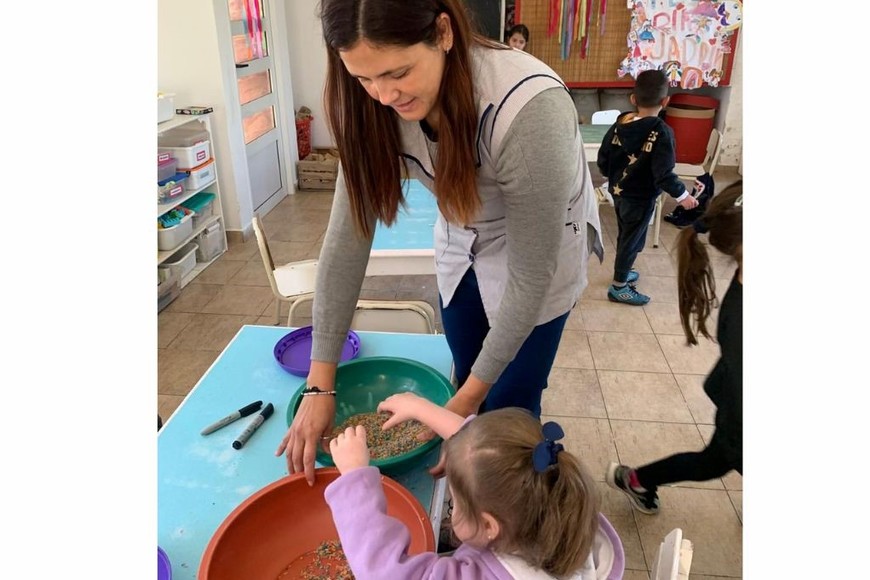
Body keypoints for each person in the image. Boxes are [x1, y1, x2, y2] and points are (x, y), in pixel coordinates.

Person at [277, 0, 604, 485]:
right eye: (364, 79)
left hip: (539, 249)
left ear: (444, 33)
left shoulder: (529, 108)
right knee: (467, 364)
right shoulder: (370, 103)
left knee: (510, 405)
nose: (383, 96)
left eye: (398, 73)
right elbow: (346, 243)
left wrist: (460, 412)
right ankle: (474, 484)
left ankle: (517, 500)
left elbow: (530, 276)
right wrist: (320, 386)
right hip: (463, 234)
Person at [324, 392, 622, 579]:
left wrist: (355, 477)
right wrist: (421, 407)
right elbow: (493, 453)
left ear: (489, 526)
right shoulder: (558, 497)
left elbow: (384, 571)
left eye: (454, 503)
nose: (452, 510)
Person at [606, 181, 743, 514]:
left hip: (735, 404)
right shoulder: (742, 325)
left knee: (712, 462)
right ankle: (636, 479)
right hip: (740, 416)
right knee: (711, 463)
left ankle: (637, 479)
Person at [596, 69, 699, 306]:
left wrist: (612, 177)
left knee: (627, 235)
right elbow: (664, 174)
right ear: (666, 101)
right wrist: (683, 196)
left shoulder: (620, 123)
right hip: (641, 198)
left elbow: (603, 158)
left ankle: (624, 269)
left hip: (618, 192)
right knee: (631, 240)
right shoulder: (662, 132)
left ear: (633, 99)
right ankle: (619, 287)